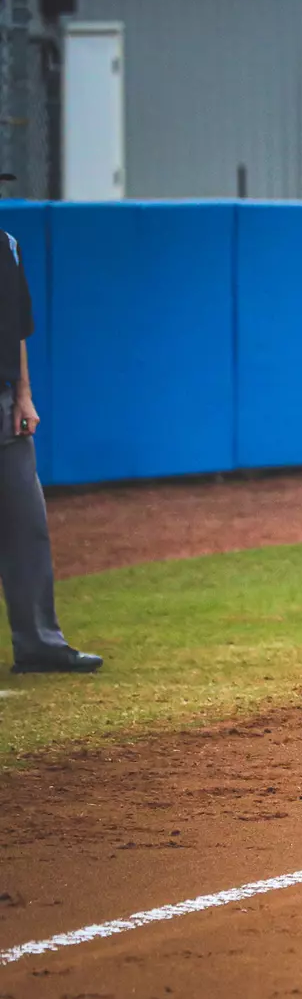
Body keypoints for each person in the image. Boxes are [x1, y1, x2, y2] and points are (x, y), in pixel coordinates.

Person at [0, 195, 102, 675]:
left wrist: (24, 394)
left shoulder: (7, 245)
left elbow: (17, 328)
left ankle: (39, 643)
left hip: (3, 404)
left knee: (26, 526)